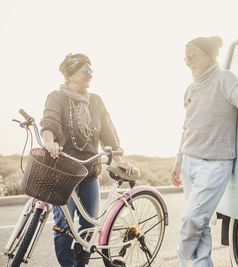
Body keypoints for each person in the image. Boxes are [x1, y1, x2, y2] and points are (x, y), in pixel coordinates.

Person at [171, 36, 238, 267]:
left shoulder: (224, 79)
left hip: (215, 164)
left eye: (191, 56)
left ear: (207, 56)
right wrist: (178, 161)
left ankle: (182, 260)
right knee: (201, 222)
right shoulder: (190, 89)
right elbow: (186, 128)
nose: (187, 62)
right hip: (189, 163)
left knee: (192, 219)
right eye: (185, 57)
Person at [40, 53, 134, 267]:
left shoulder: (96, 101)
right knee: (63, 225)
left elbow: (108, 134)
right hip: (65, 173)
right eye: (86, 70)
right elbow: (50, 121)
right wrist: (49, 141)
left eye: (91, 70)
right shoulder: (57, 97)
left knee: (88, 227)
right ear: (71, 74)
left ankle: (80, 265)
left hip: (91, 173)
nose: (91, 74)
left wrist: (119, 160)